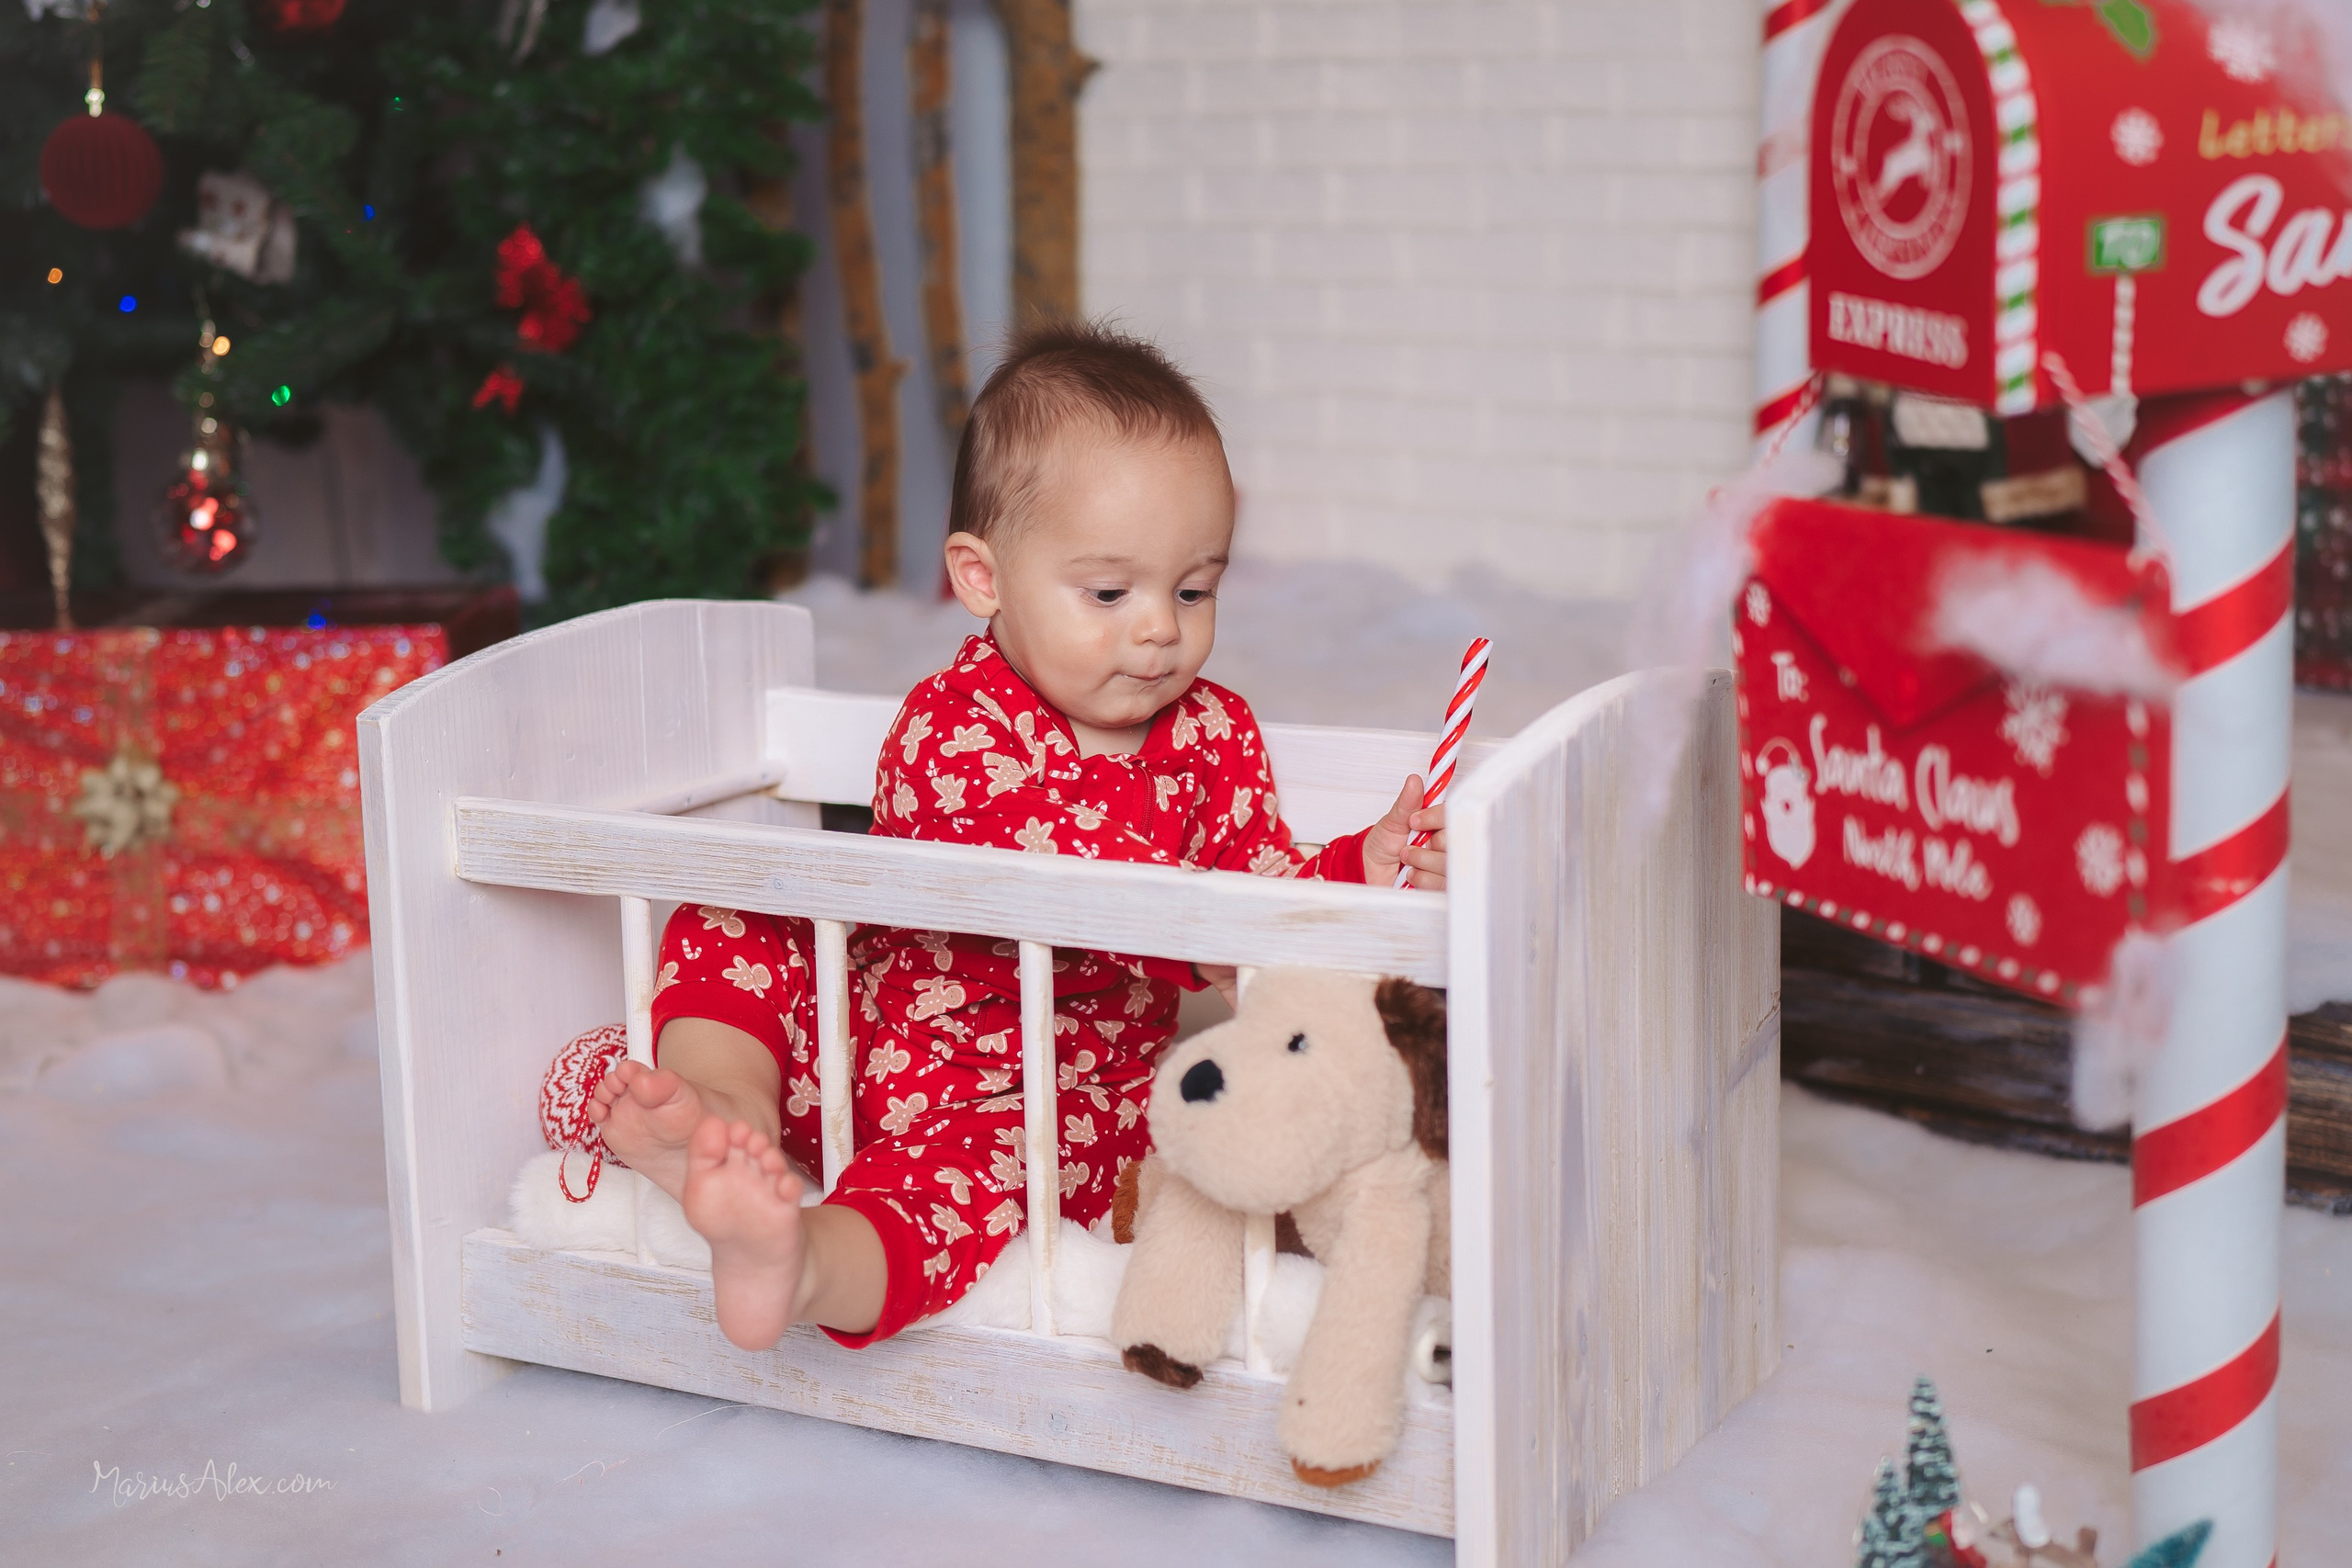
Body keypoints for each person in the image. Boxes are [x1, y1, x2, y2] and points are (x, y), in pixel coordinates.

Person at [586, 320, 1447, 1350]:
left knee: (951, 1193)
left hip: (1053, 1105)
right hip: (876, 1041)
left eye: (1193, 589)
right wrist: (1220, 930)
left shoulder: (1214, 730)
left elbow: (1257, 879)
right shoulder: (955, 727)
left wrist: (1363, 866)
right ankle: (726, 1111)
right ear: (983, 578)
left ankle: (802, 1257)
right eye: (1110, 593)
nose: (1160, 629)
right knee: (740, 907)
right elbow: (1077, 869)